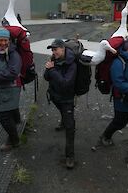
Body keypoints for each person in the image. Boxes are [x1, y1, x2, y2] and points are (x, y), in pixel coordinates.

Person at [44, 39, 77, 169]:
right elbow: (46, 77)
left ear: (63, 49)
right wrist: (48, 69)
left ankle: (70, 156)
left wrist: (51, 70)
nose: (53, 52)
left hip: (67, 99)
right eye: (52, 49)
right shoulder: (53, 59)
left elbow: (65, 83)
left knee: (70, 127)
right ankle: (63, 121)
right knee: (63, 115)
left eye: (55, 49)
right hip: (55, 97)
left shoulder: (72, 64)